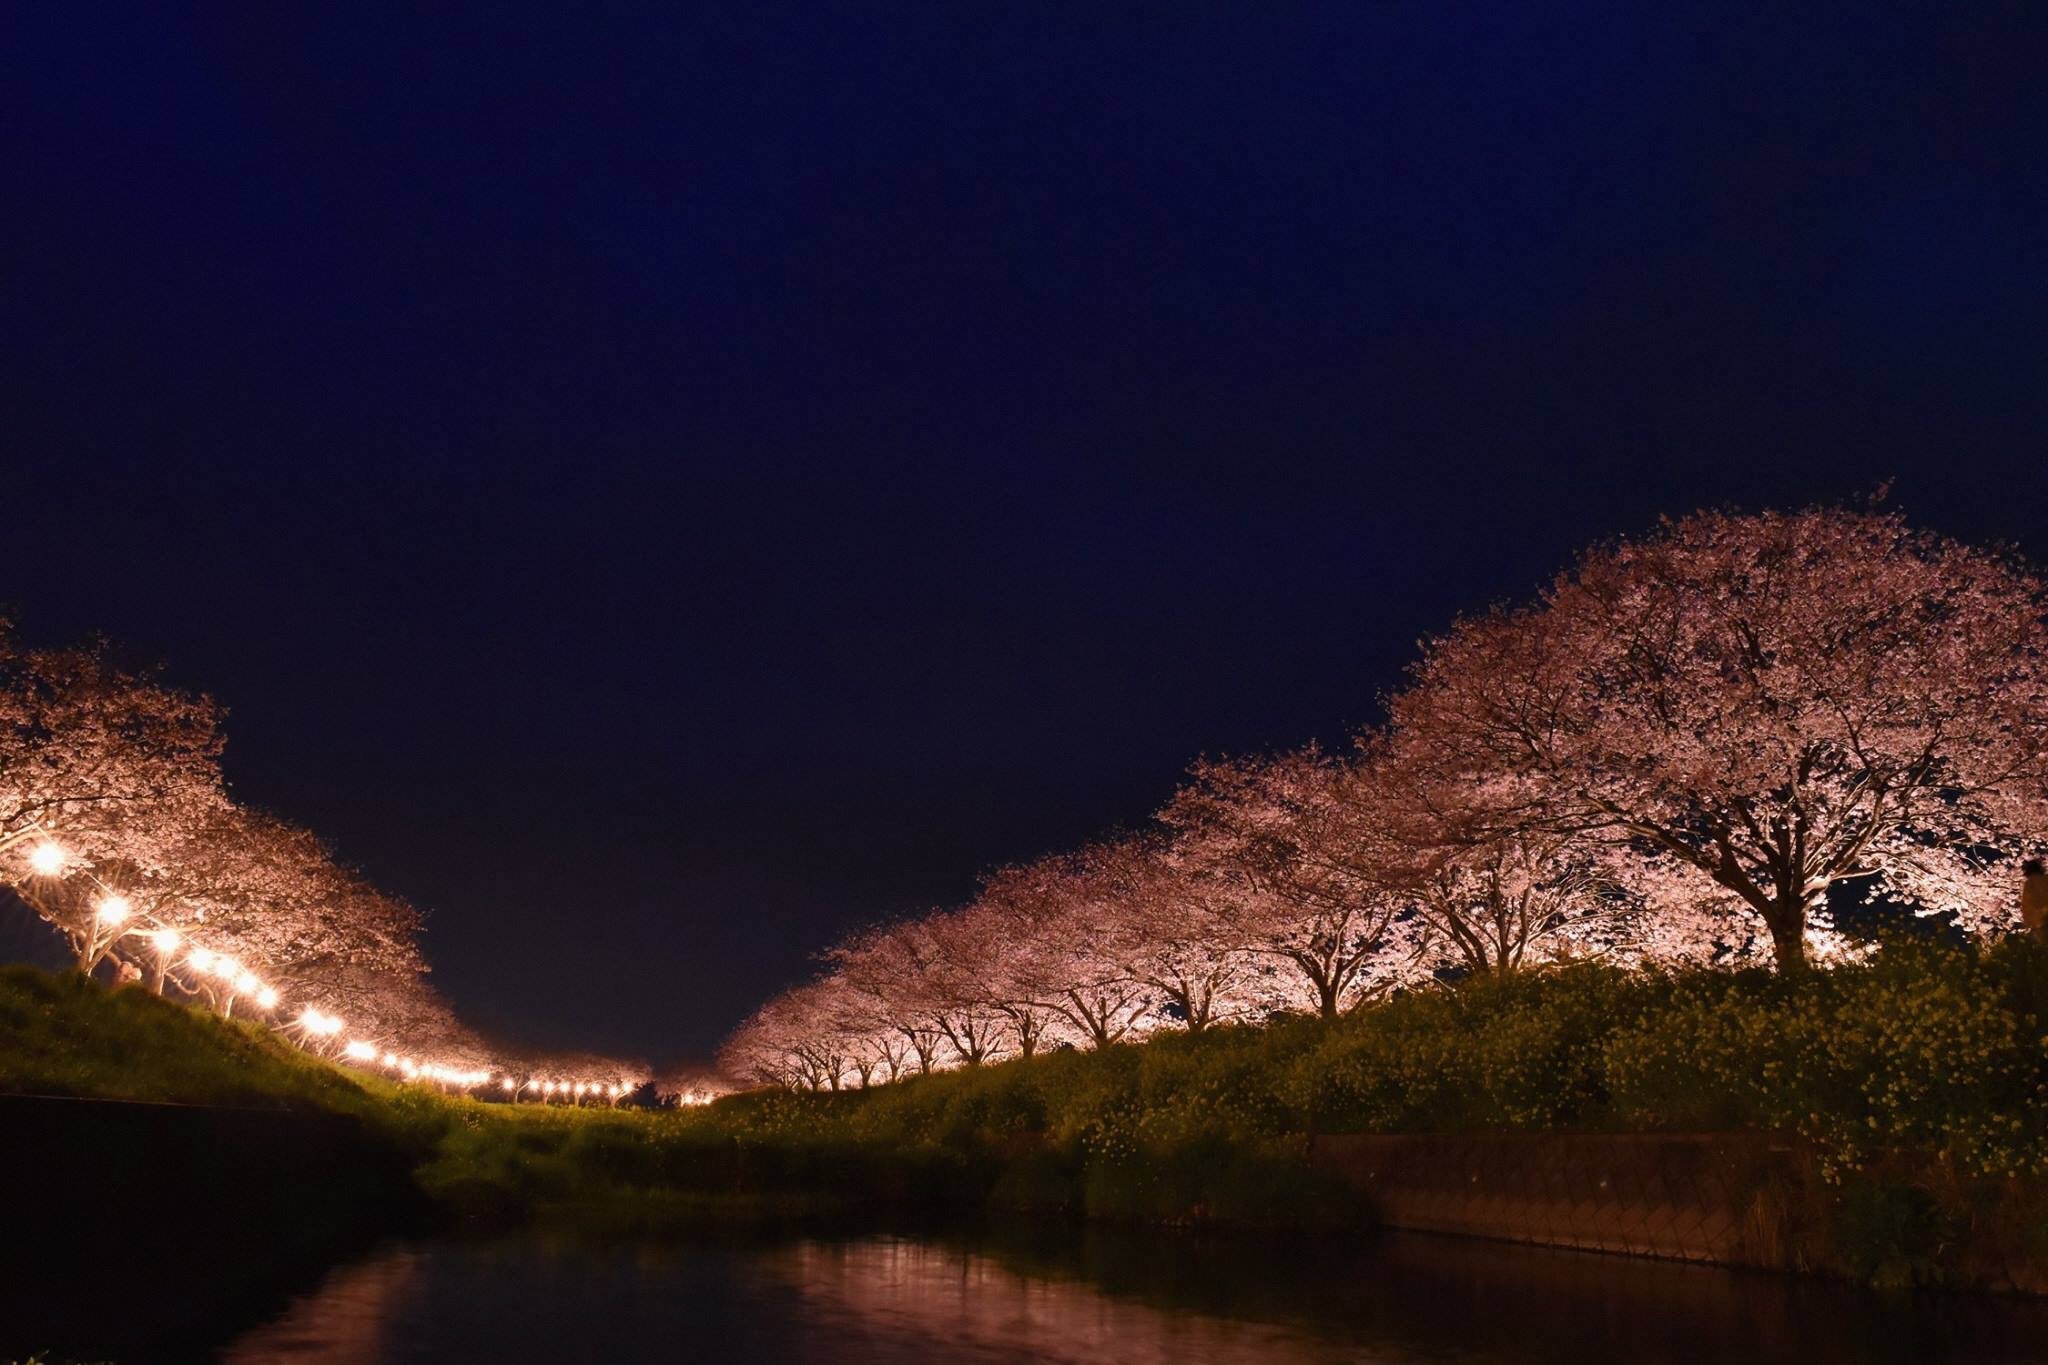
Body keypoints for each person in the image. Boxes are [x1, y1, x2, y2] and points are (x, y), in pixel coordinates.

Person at [2024, 858, 2048, 936]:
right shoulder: (2046, 878)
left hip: (2040, 918)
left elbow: (2026, 904)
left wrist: (2029, 923)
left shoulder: (2029, 883)